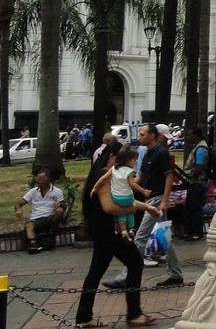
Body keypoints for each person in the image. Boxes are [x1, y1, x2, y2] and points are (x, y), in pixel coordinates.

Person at [74, 143, 161, 328]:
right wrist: (137, 207)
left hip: (103, 229)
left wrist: (146, 207)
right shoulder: (103, 177)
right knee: (135, 262)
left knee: (96, 271)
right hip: (108, 230)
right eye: (123, 158)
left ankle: (84, 317)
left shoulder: (108, 175)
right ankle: (134, 314)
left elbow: (124, 197)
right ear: (112, 157)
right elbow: (110, 207)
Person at [104, 123, 184, 289]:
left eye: (142, 135)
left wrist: (164, 200)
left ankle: (126, 275)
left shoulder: (160, 153)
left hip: (156, 199)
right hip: (152, 199)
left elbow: (169, 178)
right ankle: (175, 274)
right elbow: (139, 178)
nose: (139, 137)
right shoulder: (147, 153)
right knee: (164, 238)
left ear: (152, 136)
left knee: (140, 237)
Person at [92, 145, 151, 239]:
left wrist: (148, 207)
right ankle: (129, 229)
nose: (135, 163)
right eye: (134, 160)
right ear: (112, 157)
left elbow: (125, 186)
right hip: (106, 225)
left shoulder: (112, 172)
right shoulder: (122, 172)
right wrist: (132, 208)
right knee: (131, 253)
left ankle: (125, 230)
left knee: (101, 253)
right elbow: (109, 207)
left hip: (103, 223)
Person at [15, 170, 66, 253]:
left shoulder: (57, 191)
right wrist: (18, 209)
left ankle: (50, 233)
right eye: (37, 179)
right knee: (28, 226)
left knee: (60, 211)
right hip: (36, 218)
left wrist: (59, 205)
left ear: (47, 180)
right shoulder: (33, 191)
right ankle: (33, 244)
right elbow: (19, 203)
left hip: (50, 216)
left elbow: (64, 206)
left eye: (40, 179)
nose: (37, 181)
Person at [181, 126, 211, 241]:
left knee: (195, 208)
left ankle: (196, 232)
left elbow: (199, 168)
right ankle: (189, 231)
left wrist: (190, 177)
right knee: (190, 207)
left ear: (197, 135)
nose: (188, 137)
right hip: (194, 183)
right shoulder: (198, 147)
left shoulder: (200, 149)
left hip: (197, 183)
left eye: (190, 135)